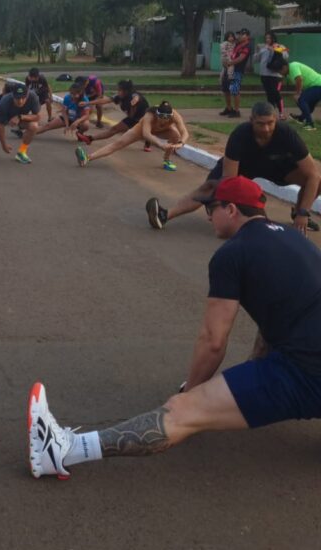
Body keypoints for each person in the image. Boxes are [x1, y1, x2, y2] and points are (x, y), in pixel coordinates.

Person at [28, 177, 321, 480]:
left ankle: (64, 450)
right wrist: (249, 373)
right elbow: (275, 321)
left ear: (231, 209)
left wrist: (193, 393)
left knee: (183, 414)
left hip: (307, 369)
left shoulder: (234, 253)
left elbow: (213, 341)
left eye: (212, 208)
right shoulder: (294, 238)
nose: (207, 215)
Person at [146, 101, 321, 234]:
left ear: (276, 120)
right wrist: (220, 206)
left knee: (317, 180)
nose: (266, 129)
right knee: (210, 189)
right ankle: (164, 214)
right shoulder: (240, 135)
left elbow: (313, 175)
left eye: (270, 123)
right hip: (243, 168)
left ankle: (297, 213)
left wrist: (304, 212)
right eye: (261, 123)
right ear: (251, 120)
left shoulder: (287, 134)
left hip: (277, 168)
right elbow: (229, 181)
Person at [76, 101, 188, 171]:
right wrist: (161, 144)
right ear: (157, 115)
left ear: (170, 116)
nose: (163, 121)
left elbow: (185, 132)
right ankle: (87, 158)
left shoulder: (175, 116)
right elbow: (146, 134)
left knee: (176, 135)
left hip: (162, 132)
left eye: (166, 119)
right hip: (140, 130)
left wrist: (180, 143)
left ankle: (166, 161)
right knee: (118, 144)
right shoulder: (149, 115)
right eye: (161, 118)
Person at [84, 79, 150, 146]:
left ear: (126, 91)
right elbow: (105, 100)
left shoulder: (134, 95)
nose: (117, 92)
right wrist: (87, 103)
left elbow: (137, 96)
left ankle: (148, 141)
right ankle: (90, 139)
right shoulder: (119, 97)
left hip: (145, 119)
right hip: (132, 118)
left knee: (146, 133)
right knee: (114, 129)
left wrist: (135, 100)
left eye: (119, 90)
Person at [253, 32, 288, 117]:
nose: (267, 40)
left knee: (276, 93)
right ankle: (271, 113)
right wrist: (257, 51)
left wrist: (274, 49)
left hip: (276, 76)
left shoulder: (280, 46)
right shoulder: (263, 48)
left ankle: (281, 113)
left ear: (273, 38)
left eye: (269, 38)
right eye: (266, 38)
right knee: (269, 94)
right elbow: (256, 60)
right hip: (264, 75)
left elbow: (286, 56)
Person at [283, 59, 321, 130]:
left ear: (284, 67)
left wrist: (298, 94)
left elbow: (299, 79)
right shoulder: (289, 73)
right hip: (316, 85)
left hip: (318, 84)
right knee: (309, 105)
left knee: (302, 99)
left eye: (280, 71)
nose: (280, 73)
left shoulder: (293, 66)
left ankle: (310, 124)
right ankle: (301, 118)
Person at [225, 28, 251, 118]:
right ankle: (231, 109)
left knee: (235, 90)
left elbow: (241, 58)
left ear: (247, 36)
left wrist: (231, 62)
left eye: (242, 34)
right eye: (239, 34)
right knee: (231, 89)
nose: (239, 36)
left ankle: (236, 111)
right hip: (232, 69)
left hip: (238, 70)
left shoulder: (247, 46)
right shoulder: (238, 44)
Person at [218, 30, 236, 116]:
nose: (231, 38)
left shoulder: (235, 46)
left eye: (232, 36)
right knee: (225, 90)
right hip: (225, 68)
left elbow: (233, 57)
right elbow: (223, 54)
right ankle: (228, 107)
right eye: (229, 36)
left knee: (232, 89)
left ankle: (234, 109)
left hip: (232, 68)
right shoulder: (224, 45)